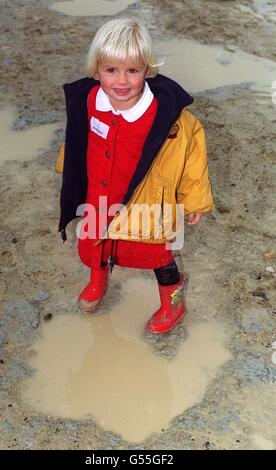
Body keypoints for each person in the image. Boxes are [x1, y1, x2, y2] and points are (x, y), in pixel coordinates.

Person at [56, 18, 215, 334]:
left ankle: (173, 300)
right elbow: (76, 141)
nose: (122, 81)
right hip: (99, 197)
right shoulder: (87, 103)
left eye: (133, 70)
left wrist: (194, 200)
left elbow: (192, 154)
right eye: (111, 70)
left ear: (147, 70)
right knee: (95, 243)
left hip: (145, 199)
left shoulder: (170, 118)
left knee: (156, 254)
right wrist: (69, 172)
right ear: (96, 70)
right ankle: (98, 281)